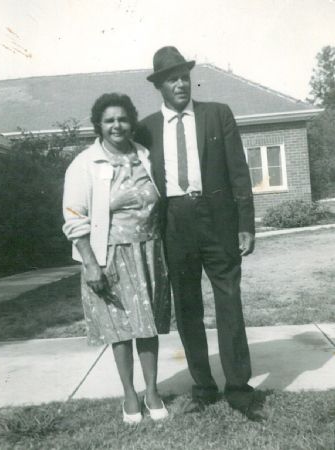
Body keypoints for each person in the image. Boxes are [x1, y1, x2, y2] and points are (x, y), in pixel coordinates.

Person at [135, 47, 264, 420]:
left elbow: (239, 172)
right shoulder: (147, 129)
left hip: (217, 219)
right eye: (171, 78)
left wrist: (245, 224)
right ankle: (204, 386)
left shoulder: (217, 114)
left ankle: (239, 388)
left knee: (229, 302)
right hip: (174, 223)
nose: (180, 83)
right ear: (159, 85)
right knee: (187, 308)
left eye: (183, 76)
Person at [62, 93, 170, 424]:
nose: (116, 125)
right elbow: (73, 217)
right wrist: (91, 263)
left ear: (131, 122)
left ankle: (152, 391)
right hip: (109, 255)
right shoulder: (85, 163)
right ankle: (129, 395)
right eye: (109, 120)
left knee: (148, 325)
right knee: (120, 329)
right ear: (99, 125)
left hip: (150, 250)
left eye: (122, 119)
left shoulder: (145, 155)